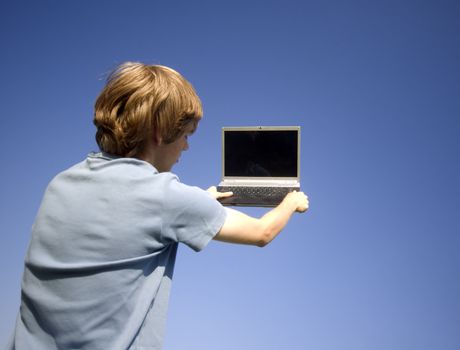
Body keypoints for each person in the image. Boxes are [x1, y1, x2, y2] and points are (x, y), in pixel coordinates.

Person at [6, 62, 309, 349]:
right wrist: (291, 201)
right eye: (186, 135)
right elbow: (262, 232)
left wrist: (198, 200)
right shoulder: (167, 197)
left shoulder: (61, 182)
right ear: (160, 132)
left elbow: (123, 214)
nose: (187, 147)